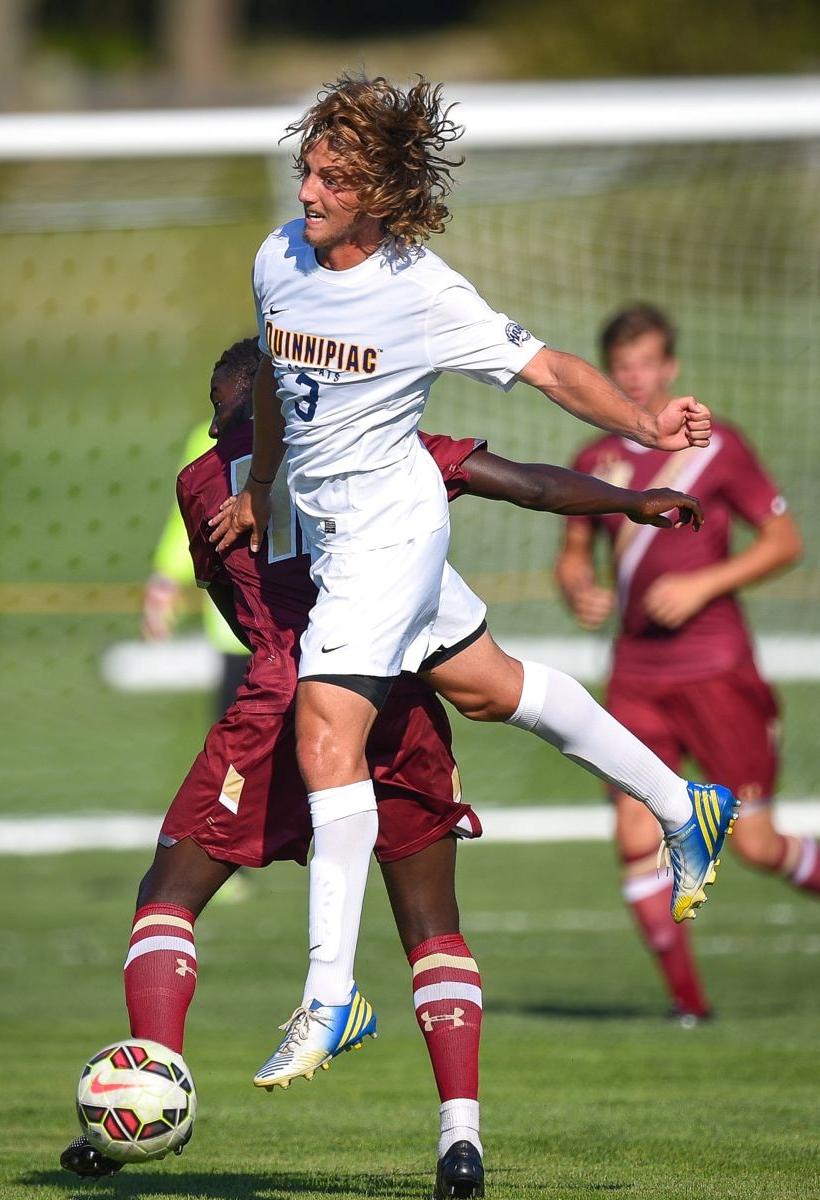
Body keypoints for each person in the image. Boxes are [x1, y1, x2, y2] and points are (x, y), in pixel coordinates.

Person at [62, 337, 711, 1197]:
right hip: (400, 708)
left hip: (287, 706)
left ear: (242, 407)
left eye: (228, 407)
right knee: (433, 916)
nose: (226, 422)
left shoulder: (204, 482)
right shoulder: (375, 449)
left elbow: (236, 598)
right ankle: (459, 1143)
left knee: (169, 894)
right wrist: (628, 500)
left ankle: (160, 1085)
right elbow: (522, 481)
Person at [211, 73, 738, 1087]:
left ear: (378, 192)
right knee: (488, 687)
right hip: (333, 535)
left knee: (326, 731)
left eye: (331, 176)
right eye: (306, 169)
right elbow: (281, 380)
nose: (308, 189)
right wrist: (264, 483)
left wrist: (644, 428)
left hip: (392, 531)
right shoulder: (276, 257)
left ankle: (329, 997)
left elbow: (545, 370)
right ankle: (682, 807)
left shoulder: (421, 290)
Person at [555, 302, 811, 1024]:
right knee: (635, 833)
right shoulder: (592, 461)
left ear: (669, 367)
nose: (635, 378)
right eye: (622, 367)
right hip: (635, 676)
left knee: (757, 844)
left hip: (716, 669)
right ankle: (687, 1009)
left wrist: (703, 582)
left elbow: (783, 541)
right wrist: (579, 590)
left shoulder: (717, 447)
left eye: (646, 364)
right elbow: (573, 559)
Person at [142, 378, 251, 720]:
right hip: (287, 631)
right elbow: (189, 519)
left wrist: (166, 580)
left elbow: (188, 520)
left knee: (239, 761)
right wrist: (166, 578)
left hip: (240, 627)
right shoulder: (311, 427)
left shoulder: (208, 437)